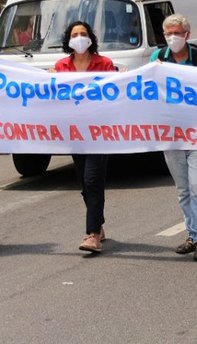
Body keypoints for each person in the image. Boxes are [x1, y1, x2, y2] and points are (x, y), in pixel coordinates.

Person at [152, 14, 197, 261]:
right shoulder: (157, 59)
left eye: (176, 33)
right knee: (183, 189)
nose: (172, 38)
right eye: (168, 33)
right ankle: (192, 234)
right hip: (171, 134)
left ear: (187, 35)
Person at [55, 21, 116, 253]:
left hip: (99, 133)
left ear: (91, 38)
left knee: (93, 180)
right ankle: (98, 225)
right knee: (84, 183)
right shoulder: (61, 66)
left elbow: (117, 93)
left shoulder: (104, 64)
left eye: (83, 33)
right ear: (68, 40)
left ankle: (92, 234)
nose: (79, 37)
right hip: (75, 134)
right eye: (74, 34)